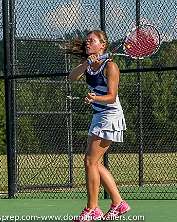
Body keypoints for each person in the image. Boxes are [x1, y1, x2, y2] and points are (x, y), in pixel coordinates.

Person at [68, 30, 130, 221]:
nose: (87, 44)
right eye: (86, 41)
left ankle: (92, 209)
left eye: (92, 41)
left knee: (89, 161)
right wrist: (87, 62)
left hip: (110, 116)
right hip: (98, 116)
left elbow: (111, 97)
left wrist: (96, 97)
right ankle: (119, 203)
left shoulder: (110, 66)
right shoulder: (89, 65)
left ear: (102, 45)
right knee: (93, 163)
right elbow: (72, 77)